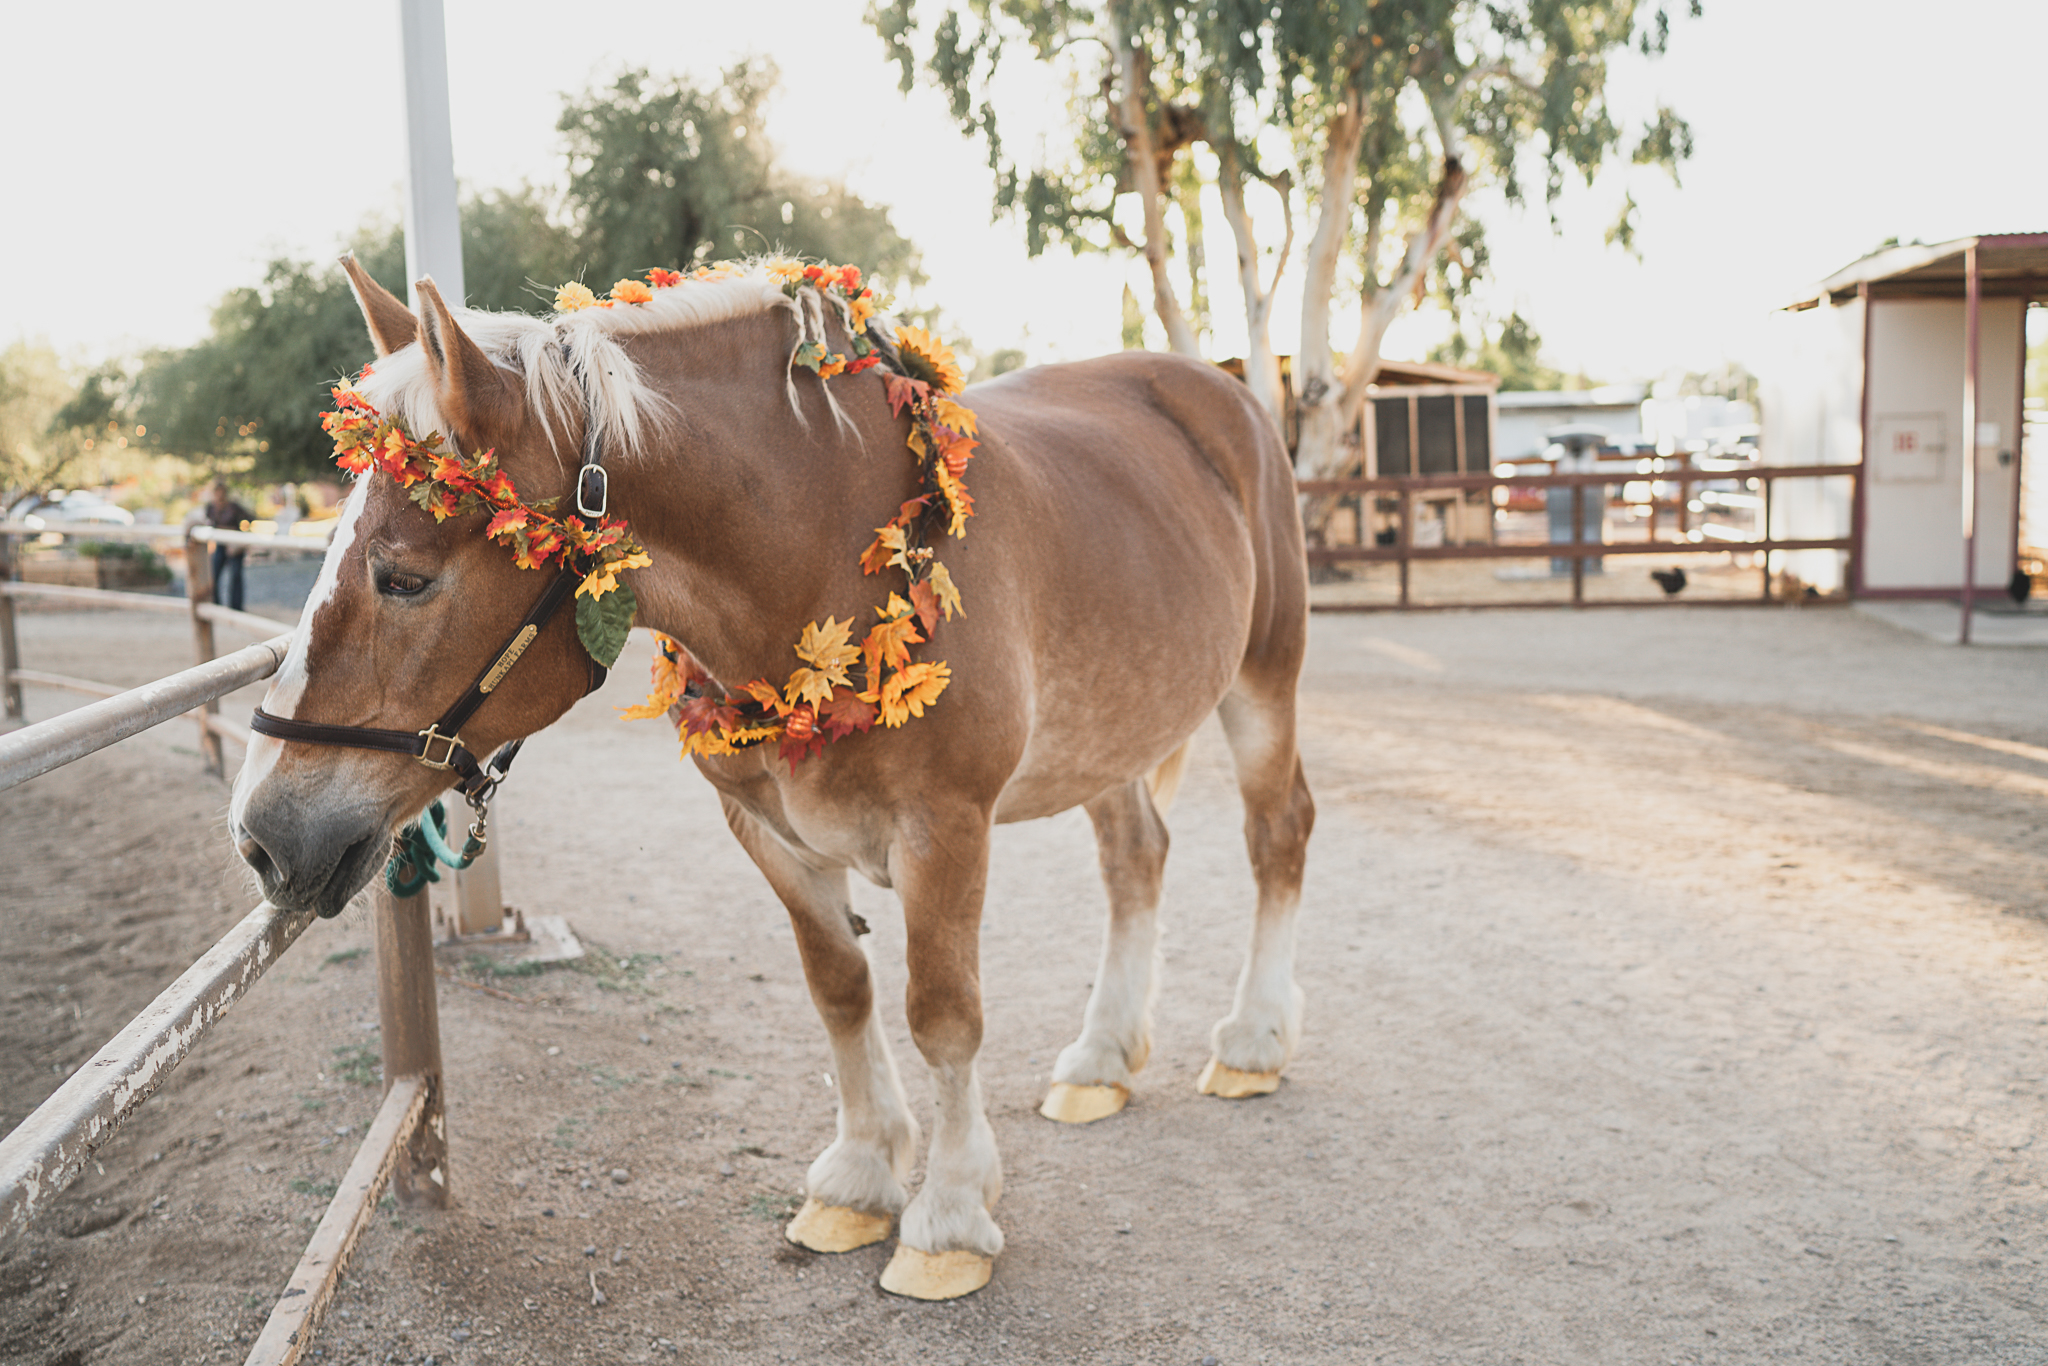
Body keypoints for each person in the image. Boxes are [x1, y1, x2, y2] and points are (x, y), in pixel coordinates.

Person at [204, 479, 253, 612]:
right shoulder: (210, 507)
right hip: (220, 544)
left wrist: (241, 538)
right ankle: (216, 604)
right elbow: (207, 522)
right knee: (213, 573)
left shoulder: (233, 507)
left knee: (235, 575)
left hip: (234, 544)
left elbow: (250, 518)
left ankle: (236, 607)